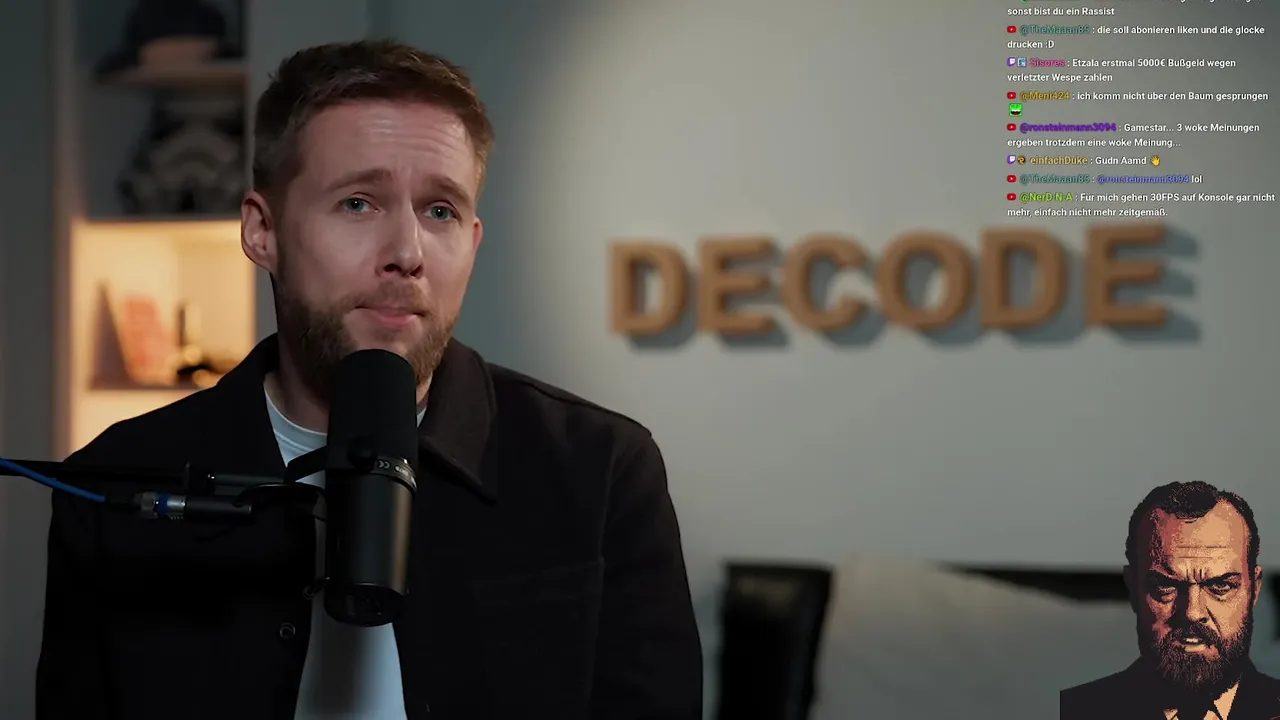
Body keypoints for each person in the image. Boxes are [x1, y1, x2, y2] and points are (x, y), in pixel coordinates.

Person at [36, 40, 703, 719]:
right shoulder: (116, 487)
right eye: (358, 203)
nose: (408, 253)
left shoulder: (599, 470)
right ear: (263, 231)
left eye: (440, 211)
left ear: (472, 243)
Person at [1060, 481, 1280, 719]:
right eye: (1166, 586)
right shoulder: (1071, 711)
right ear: (1132, 587)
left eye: (1220, 586)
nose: (1192, 612)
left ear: (1254, 589)